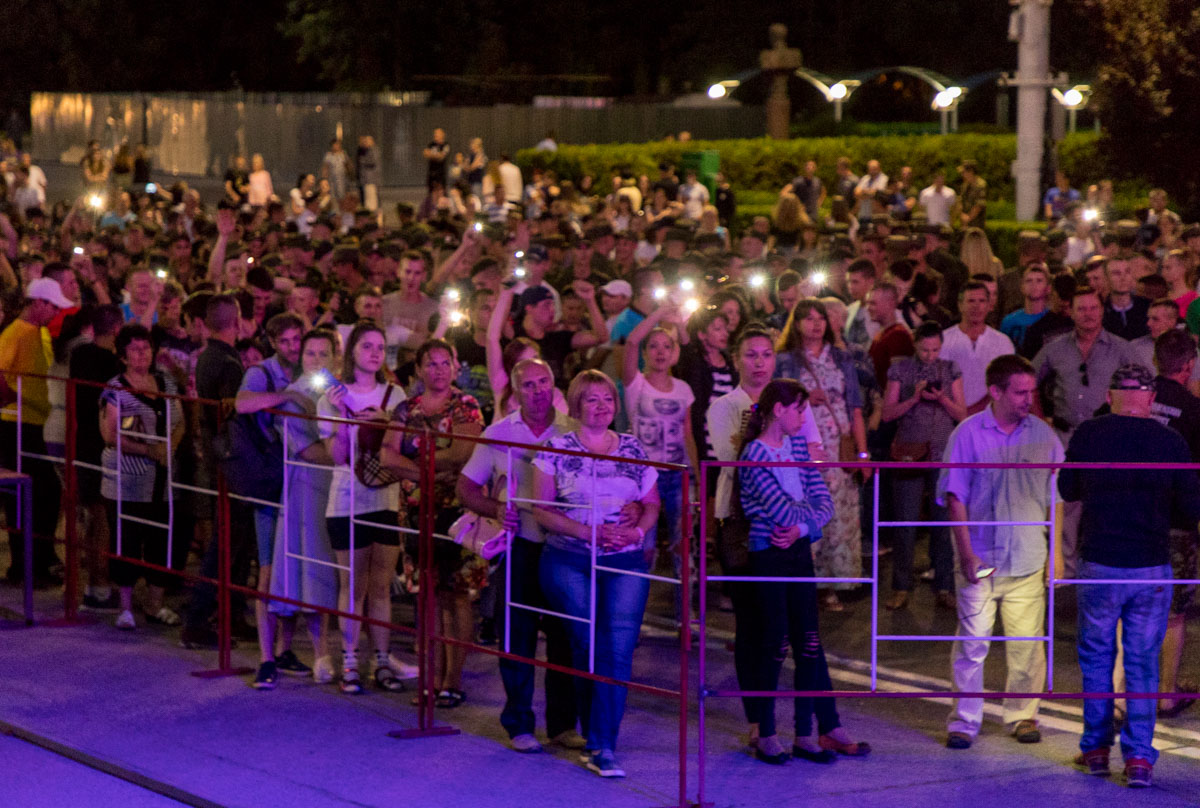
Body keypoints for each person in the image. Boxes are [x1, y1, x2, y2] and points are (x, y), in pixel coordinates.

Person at [1059, 363, 1200, 789]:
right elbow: (1192, 507)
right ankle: (1139, 758)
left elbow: (1068, 489)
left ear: (1110, 395)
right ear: (1151, 398)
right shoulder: (1170, 441)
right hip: (1150, 564)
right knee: (1142, 663)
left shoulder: (1089, 434)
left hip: (1100, 562)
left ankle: (1096, 750)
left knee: (1096, 658)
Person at [532, 370, 661, 778]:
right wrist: (587, 531)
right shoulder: (555, 449)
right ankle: (594, 734)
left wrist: (638, 530)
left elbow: (653, 503)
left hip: (625, 559)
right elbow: (541, 510)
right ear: (576, 406)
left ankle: (603, 745)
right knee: (587, 643)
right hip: (570, 557)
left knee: (618, 650)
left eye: (607, 398)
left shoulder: (633, 447)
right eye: (592, 399)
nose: (602, 406)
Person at [737, 379, 867, 765]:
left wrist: (802, 527)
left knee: (809, 640)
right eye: (798, 408)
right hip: (769, 553)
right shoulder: (754, 455)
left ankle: (805, 733)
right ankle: (766, 732)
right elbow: (779, 508)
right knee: (775, 641)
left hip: (796, 550)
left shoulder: (796, 447)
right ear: (778, 410)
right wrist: (803, 520)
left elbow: (823, 501)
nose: (803, 416)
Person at [937, 354, 1064, 750]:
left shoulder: (1043, 435)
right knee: (972, 645)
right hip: (982, 559)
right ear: (995, 391)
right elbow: (954, 495)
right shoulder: (967, 434)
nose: (1029, 399)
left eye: (1032, 391)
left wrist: (1056, 555)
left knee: (1027, 646)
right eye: (1020, 392)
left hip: (1027, 557)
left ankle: (1023, 715)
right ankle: (964, 721)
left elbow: (1056, 498)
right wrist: (965, 554)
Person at [457, 358, 583, 753]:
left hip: (564, 548)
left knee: (565, 637)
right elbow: (466, 487)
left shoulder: (573, 430)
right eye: (528, 384)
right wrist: (494, 508)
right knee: (517, 636)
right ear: (515, 392)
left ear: (554, 384)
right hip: (521, 546)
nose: (538, 390)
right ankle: (518, 724)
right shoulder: (498, 433)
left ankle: (563, 725)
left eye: (544, 381)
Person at [383, 338, 485, 708]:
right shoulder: (405, 408)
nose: (439, 370)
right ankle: (432, 679)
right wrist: (428, 470)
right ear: (419, 369)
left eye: (445, 363)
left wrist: (413, 463)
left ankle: (453, 681)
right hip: (416, 510)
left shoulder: (466, 404)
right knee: (427, 595)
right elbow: (387, 456)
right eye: (431, 363)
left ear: (455, 367)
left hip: (457, 511)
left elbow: (462, 453)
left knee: (456, 595)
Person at [318, 322, 407, 694]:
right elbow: (337, 456)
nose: (375, 353)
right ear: (352, 349)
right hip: (346, 500)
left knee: (381, 587)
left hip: (385, 499)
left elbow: (402, 449)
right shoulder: (332, 397)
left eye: (380, 347)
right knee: (352, 586)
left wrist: (388, 424)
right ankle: (351, 661)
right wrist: (342, 415)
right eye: (367, 345)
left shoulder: (395, 395)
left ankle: (383, 661)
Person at [775, 299, 868, 610]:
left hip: (838, 447)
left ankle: (834, 585)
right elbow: (775, 404)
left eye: (820, 318)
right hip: (802, 447)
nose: (815, 324)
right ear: (796, 323)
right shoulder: (786, 360)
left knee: (838, 516)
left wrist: (863, 454)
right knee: (805, 512)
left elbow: (855, 407)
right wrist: (802, 397)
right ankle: (808, 585)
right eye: (808, 318)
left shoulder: (841, 357)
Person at [232, 312, 309, 689]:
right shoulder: (260, 372)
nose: (293, 347)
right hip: (272, 480)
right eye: (286, 341)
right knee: (267, 569)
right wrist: (286, 396)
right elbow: (242, 404)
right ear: (273, 343)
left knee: (293, 568)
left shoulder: (311, 369)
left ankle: (284, 649)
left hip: (303, 481)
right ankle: (265, 658)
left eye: (298, 340)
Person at [99, 323, 185, 629]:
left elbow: (180, 421)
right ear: (123, 356)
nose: (142, 354)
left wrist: (169, 448)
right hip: (127, 479)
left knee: (161, 540)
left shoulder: (165, 381)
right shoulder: (116, 389)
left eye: (145, 347)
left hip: (162, 478)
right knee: (127, 540)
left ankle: (155, 604)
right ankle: (125, 607)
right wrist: (148, 450)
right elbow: (110, 434)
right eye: (134, 350)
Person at [269, 329, 340, 684]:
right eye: (310, 353)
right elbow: (311, 451)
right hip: (306, 488)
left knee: (326, 567)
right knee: (306, 566)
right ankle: (316, 650)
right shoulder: (292, 397)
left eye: (324, 354)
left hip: (336, 488)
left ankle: (302, 649)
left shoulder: (340, 394)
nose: (316, 360)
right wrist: (343, 454)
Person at [881, 321, 967, 611]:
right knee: (905, 523)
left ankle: (945, 585)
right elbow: (888, 414)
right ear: (915, 346)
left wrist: (942, 398)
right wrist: (914, 397)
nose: (930, 356)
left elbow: (962, 413)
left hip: (943, 453)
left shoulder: (951, 369)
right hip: (909, 452)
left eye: (935, 350)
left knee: (943, 524)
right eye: (924, 350)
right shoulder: (900, 370)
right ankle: (901, 586)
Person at [622, 302, 699, 621]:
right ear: (645, 353)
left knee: (684, 547)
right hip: (644, 478)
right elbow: (630, 341)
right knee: (645, 548)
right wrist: (659, 313)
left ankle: (686, 617)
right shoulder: (636, 384)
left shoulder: (683, 389)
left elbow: (687, 434)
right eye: (653, 346)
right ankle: (634, 617)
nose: (660, 351)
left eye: (666, 346)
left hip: (678, 474)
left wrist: (696, 476)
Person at [0, 277, 72, 585]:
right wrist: (16, 397)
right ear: (39, 303)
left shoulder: (35, 332)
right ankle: (28, 566)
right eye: (53, 306)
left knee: (43, 494)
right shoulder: (17, 333)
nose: (56, 312)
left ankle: (36, 562)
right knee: (31, 495)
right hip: (18, 425)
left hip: (32, 423)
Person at [72, 304, 124, 609]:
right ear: (116, 329)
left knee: (88, 513)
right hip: (103, 443)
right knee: (102, 516)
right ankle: (101, 586)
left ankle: (87, 585)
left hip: (81, 439)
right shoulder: (112, 364)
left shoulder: (79, 354)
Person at [940, 281, 1016, 415]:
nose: (976, 306)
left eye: (981, 301)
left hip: (990, 417)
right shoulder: (943, 340)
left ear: (989, 305)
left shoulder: (1003, 342)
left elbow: (1006, 385)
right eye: (971, 301)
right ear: (960, 305)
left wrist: (972, 411)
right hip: (948, 416)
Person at [999, 265, 1050, 355]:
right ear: (1022, 287)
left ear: (1048, 288)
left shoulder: (1053, 320)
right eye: (1029, 281)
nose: (1033, 285)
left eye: (1039, 280)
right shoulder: (1009, 321)